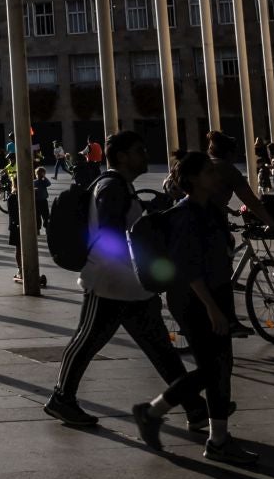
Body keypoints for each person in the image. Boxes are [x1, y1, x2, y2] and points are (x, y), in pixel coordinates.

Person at [46, 130, 203, 429]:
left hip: (132, 288)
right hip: (107, 284)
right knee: (86, 341)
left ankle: (194, 406)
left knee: (162, 350)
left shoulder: (121, 187)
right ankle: (61, 398)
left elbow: (130, 225)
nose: (145, 155)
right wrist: (131, 259)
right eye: (139, 150)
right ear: (121, 157)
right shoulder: (111, 187)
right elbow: (109, 232)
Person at [133, 152, 257, 465]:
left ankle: (156, 413)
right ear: (192, 180)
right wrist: (213, 310)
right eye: (209, 172)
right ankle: (214, 440)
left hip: (216, 295)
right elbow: (186, 268)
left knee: (218, 366)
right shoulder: (184, 215)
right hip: (193, 300)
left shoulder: (210, 210)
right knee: (214, 367)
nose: (216, 177)